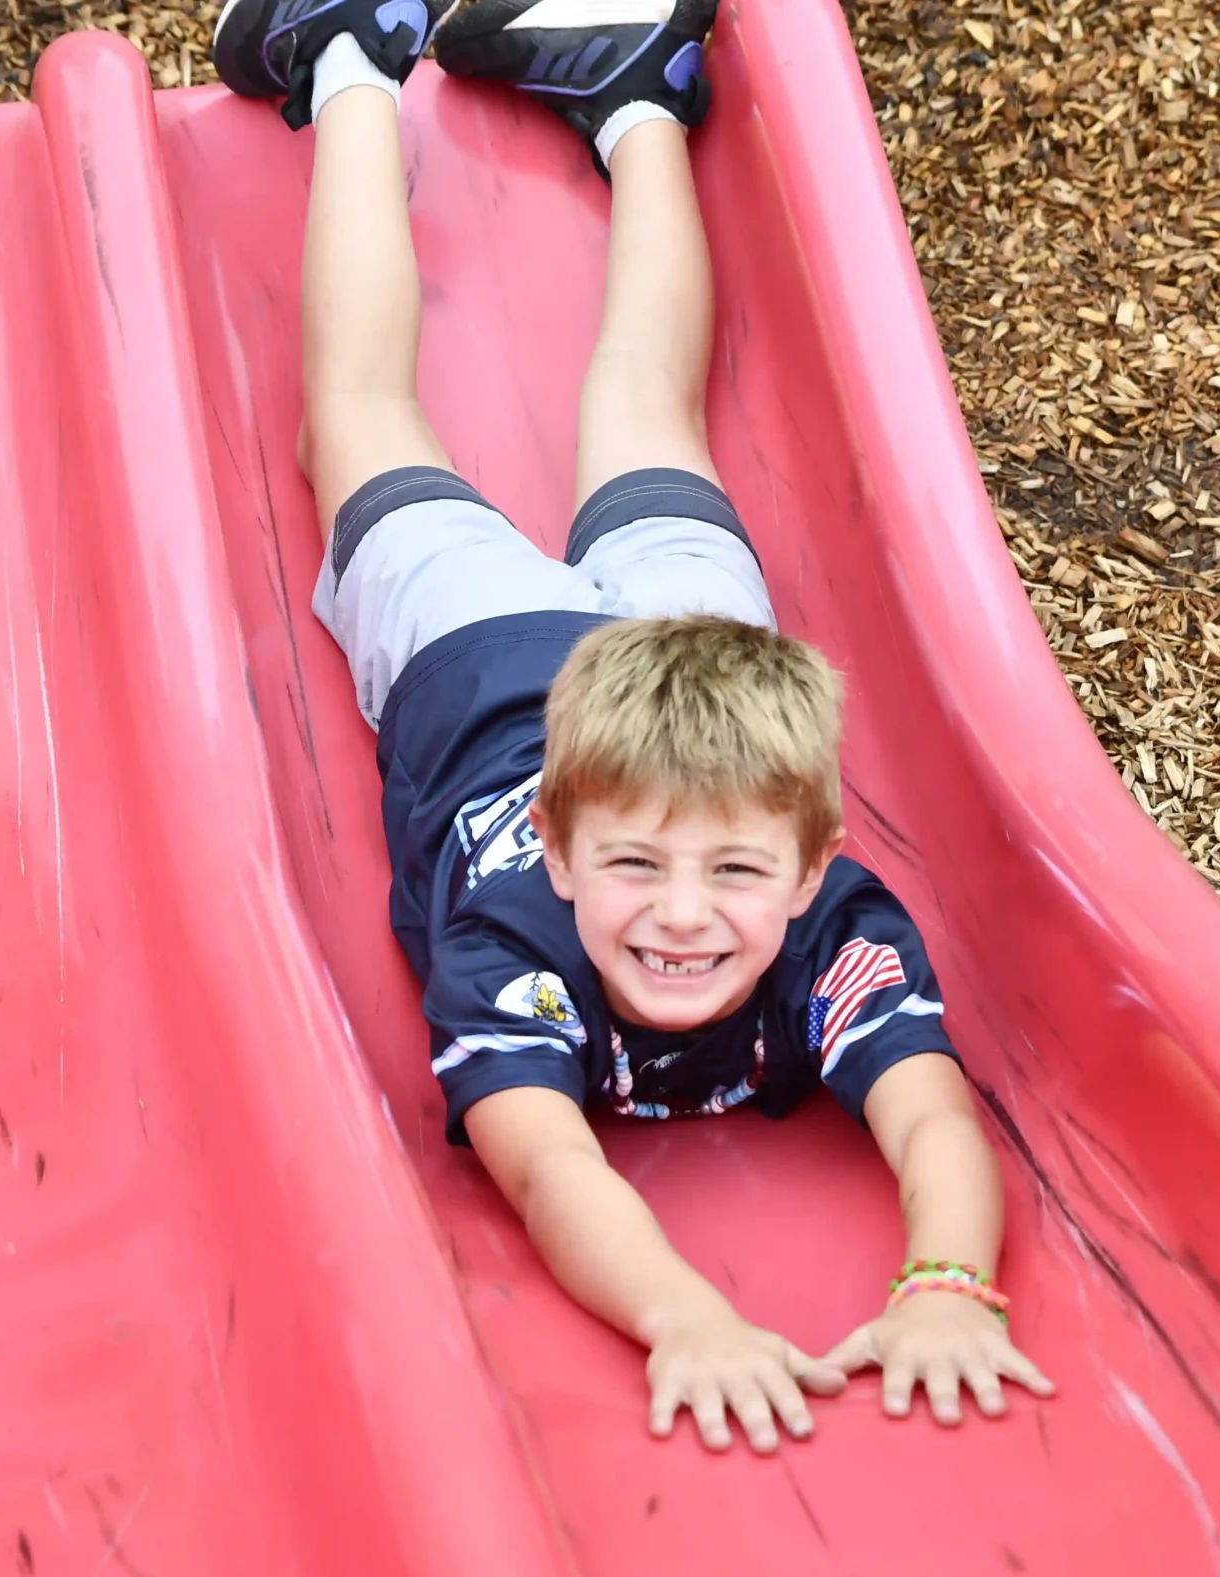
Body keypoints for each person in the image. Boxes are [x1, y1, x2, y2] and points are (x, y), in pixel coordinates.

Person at [211, 0, 1054, 1454]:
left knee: (633, 402)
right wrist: (686, 1314)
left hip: (677, 641)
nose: (682, 915)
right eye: (633, 868)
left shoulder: (834, 930)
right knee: (354, 414)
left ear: (812, 864)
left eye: (736, 873)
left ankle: (631, 93)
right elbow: (549, 1168)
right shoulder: (513, 948)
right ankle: (353, 55)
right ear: (554, 845)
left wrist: (946, 1284)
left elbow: (932, 1117)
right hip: (480, 648)